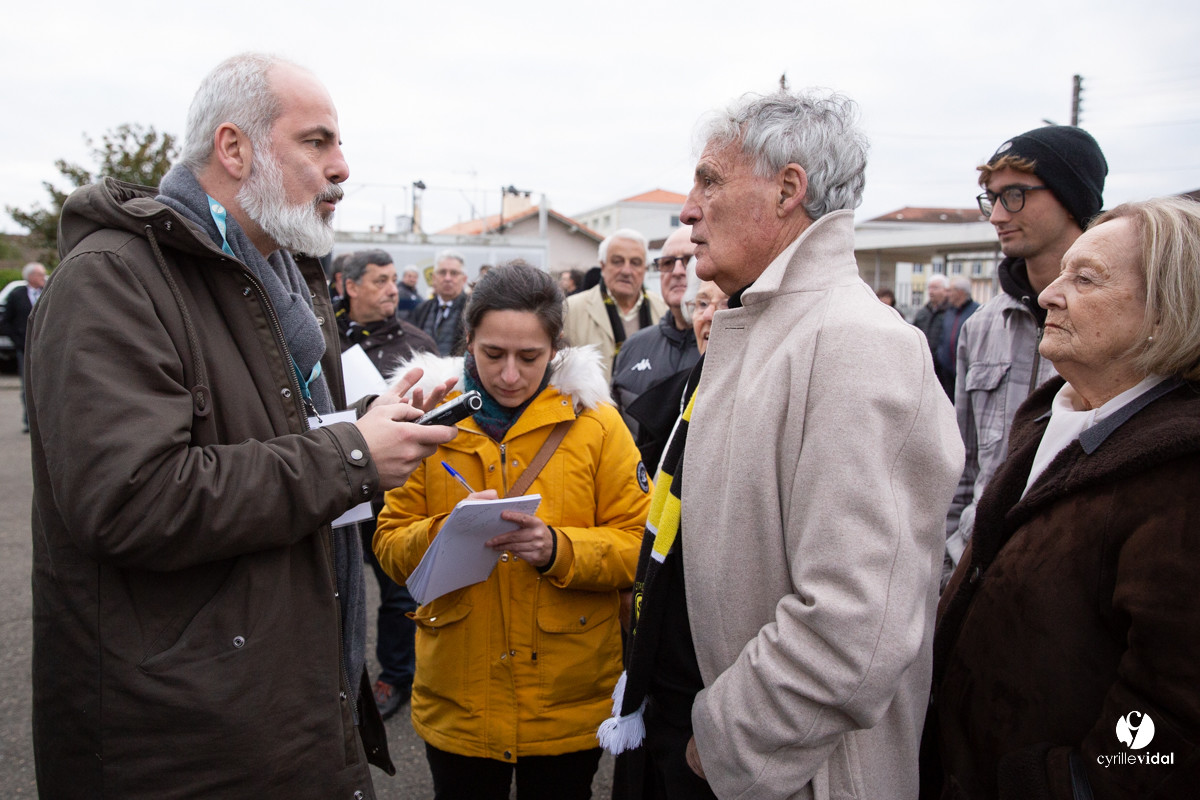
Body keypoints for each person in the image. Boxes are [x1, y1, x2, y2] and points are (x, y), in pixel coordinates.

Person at [26, 53, 458, 799]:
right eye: (317, 142)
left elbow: (262, 434)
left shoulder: (281, 279)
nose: (343, 167)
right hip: (183, 743)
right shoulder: (112, 280)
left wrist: (372, 425)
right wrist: (354, 453)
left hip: (280, 709)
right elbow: (132, 500)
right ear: (234, 149)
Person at [599, 88, 964, 800]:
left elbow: (853, 625)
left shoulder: (858, 346)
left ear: (789, 190)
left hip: (765, 772)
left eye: (710, 180)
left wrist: (724, 745)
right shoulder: (759, 330)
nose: (688, 209)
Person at [924, 196, 1200, 799]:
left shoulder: (1181, 477)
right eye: (1063, 271)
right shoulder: (1055, 415)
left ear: (1169, 311)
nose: (1049, 293)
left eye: (1087, 278)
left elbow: (1175, 720)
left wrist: (1063, 784)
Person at [374, 262, 651, 800]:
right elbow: (388, 544)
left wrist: (559, 548)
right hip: (461, 697)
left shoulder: (597, 424)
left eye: (530, 358)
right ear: (468, 340)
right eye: (492, 354)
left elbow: (641, 545)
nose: (508, 375)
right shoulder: (425, 421)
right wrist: (444, 532)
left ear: (556, 349)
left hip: (566, 702)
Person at [944, 126, 1108, 584]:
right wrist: (944, 570)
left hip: (1067, 585)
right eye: (991, 199)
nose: (996, 215)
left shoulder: (1123, 320)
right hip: (971, 578)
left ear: (1071, 198)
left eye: (1014, 195)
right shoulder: (981, 327)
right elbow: (963, 468)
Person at [337, 248, 440, 721]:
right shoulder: (322, 336)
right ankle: (337, 677)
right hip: (330, 483)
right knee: (334, 584)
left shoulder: (418, 346)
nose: (392, 288)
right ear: (348, 285)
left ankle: (395, 675)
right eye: (379, 280)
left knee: (396, 589)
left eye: (395, 279)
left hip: (389, 490)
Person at [611, 226, 700, 467]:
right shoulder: (634, 347)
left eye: (690, 260)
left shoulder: (725, 346)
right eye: (668, 263)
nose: (678, 271)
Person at [563, 229, 667, 381]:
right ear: (603, 266)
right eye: (617, 261)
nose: (626, 271)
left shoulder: (663, 309)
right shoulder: (571, 310)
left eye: (635, 263)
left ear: (644, 269)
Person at [2, 261, 46, 432]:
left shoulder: (48, 291)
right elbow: (5, 321)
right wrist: (18, 340)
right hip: (25, 347)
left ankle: (46, 421)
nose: (43, 278)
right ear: (30, 277)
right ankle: (29, 421)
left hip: (46, 346)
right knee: (27, 383)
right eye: (40, 275)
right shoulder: (17, 295)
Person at [411, 250, 470, 355]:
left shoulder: (471, 310)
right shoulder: (422, 309)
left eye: (454, 273)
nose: (447, 278)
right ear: (434, 278)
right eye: (442, 272)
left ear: (464, 279)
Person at [935, 276, 980, 397]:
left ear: (960, 292)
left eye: (950, 290)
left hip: (966, 372)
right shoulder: (949, 312)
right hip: (946, 373)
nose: (947, 294)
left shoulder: (977, 312)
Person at [914, 274, 949, 355]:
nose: (931, 291)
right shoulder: (923, 312)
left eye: (935, 288)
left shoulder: (951, 312)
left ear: (945, 290)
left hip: (942, 362)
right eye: (929, 288)